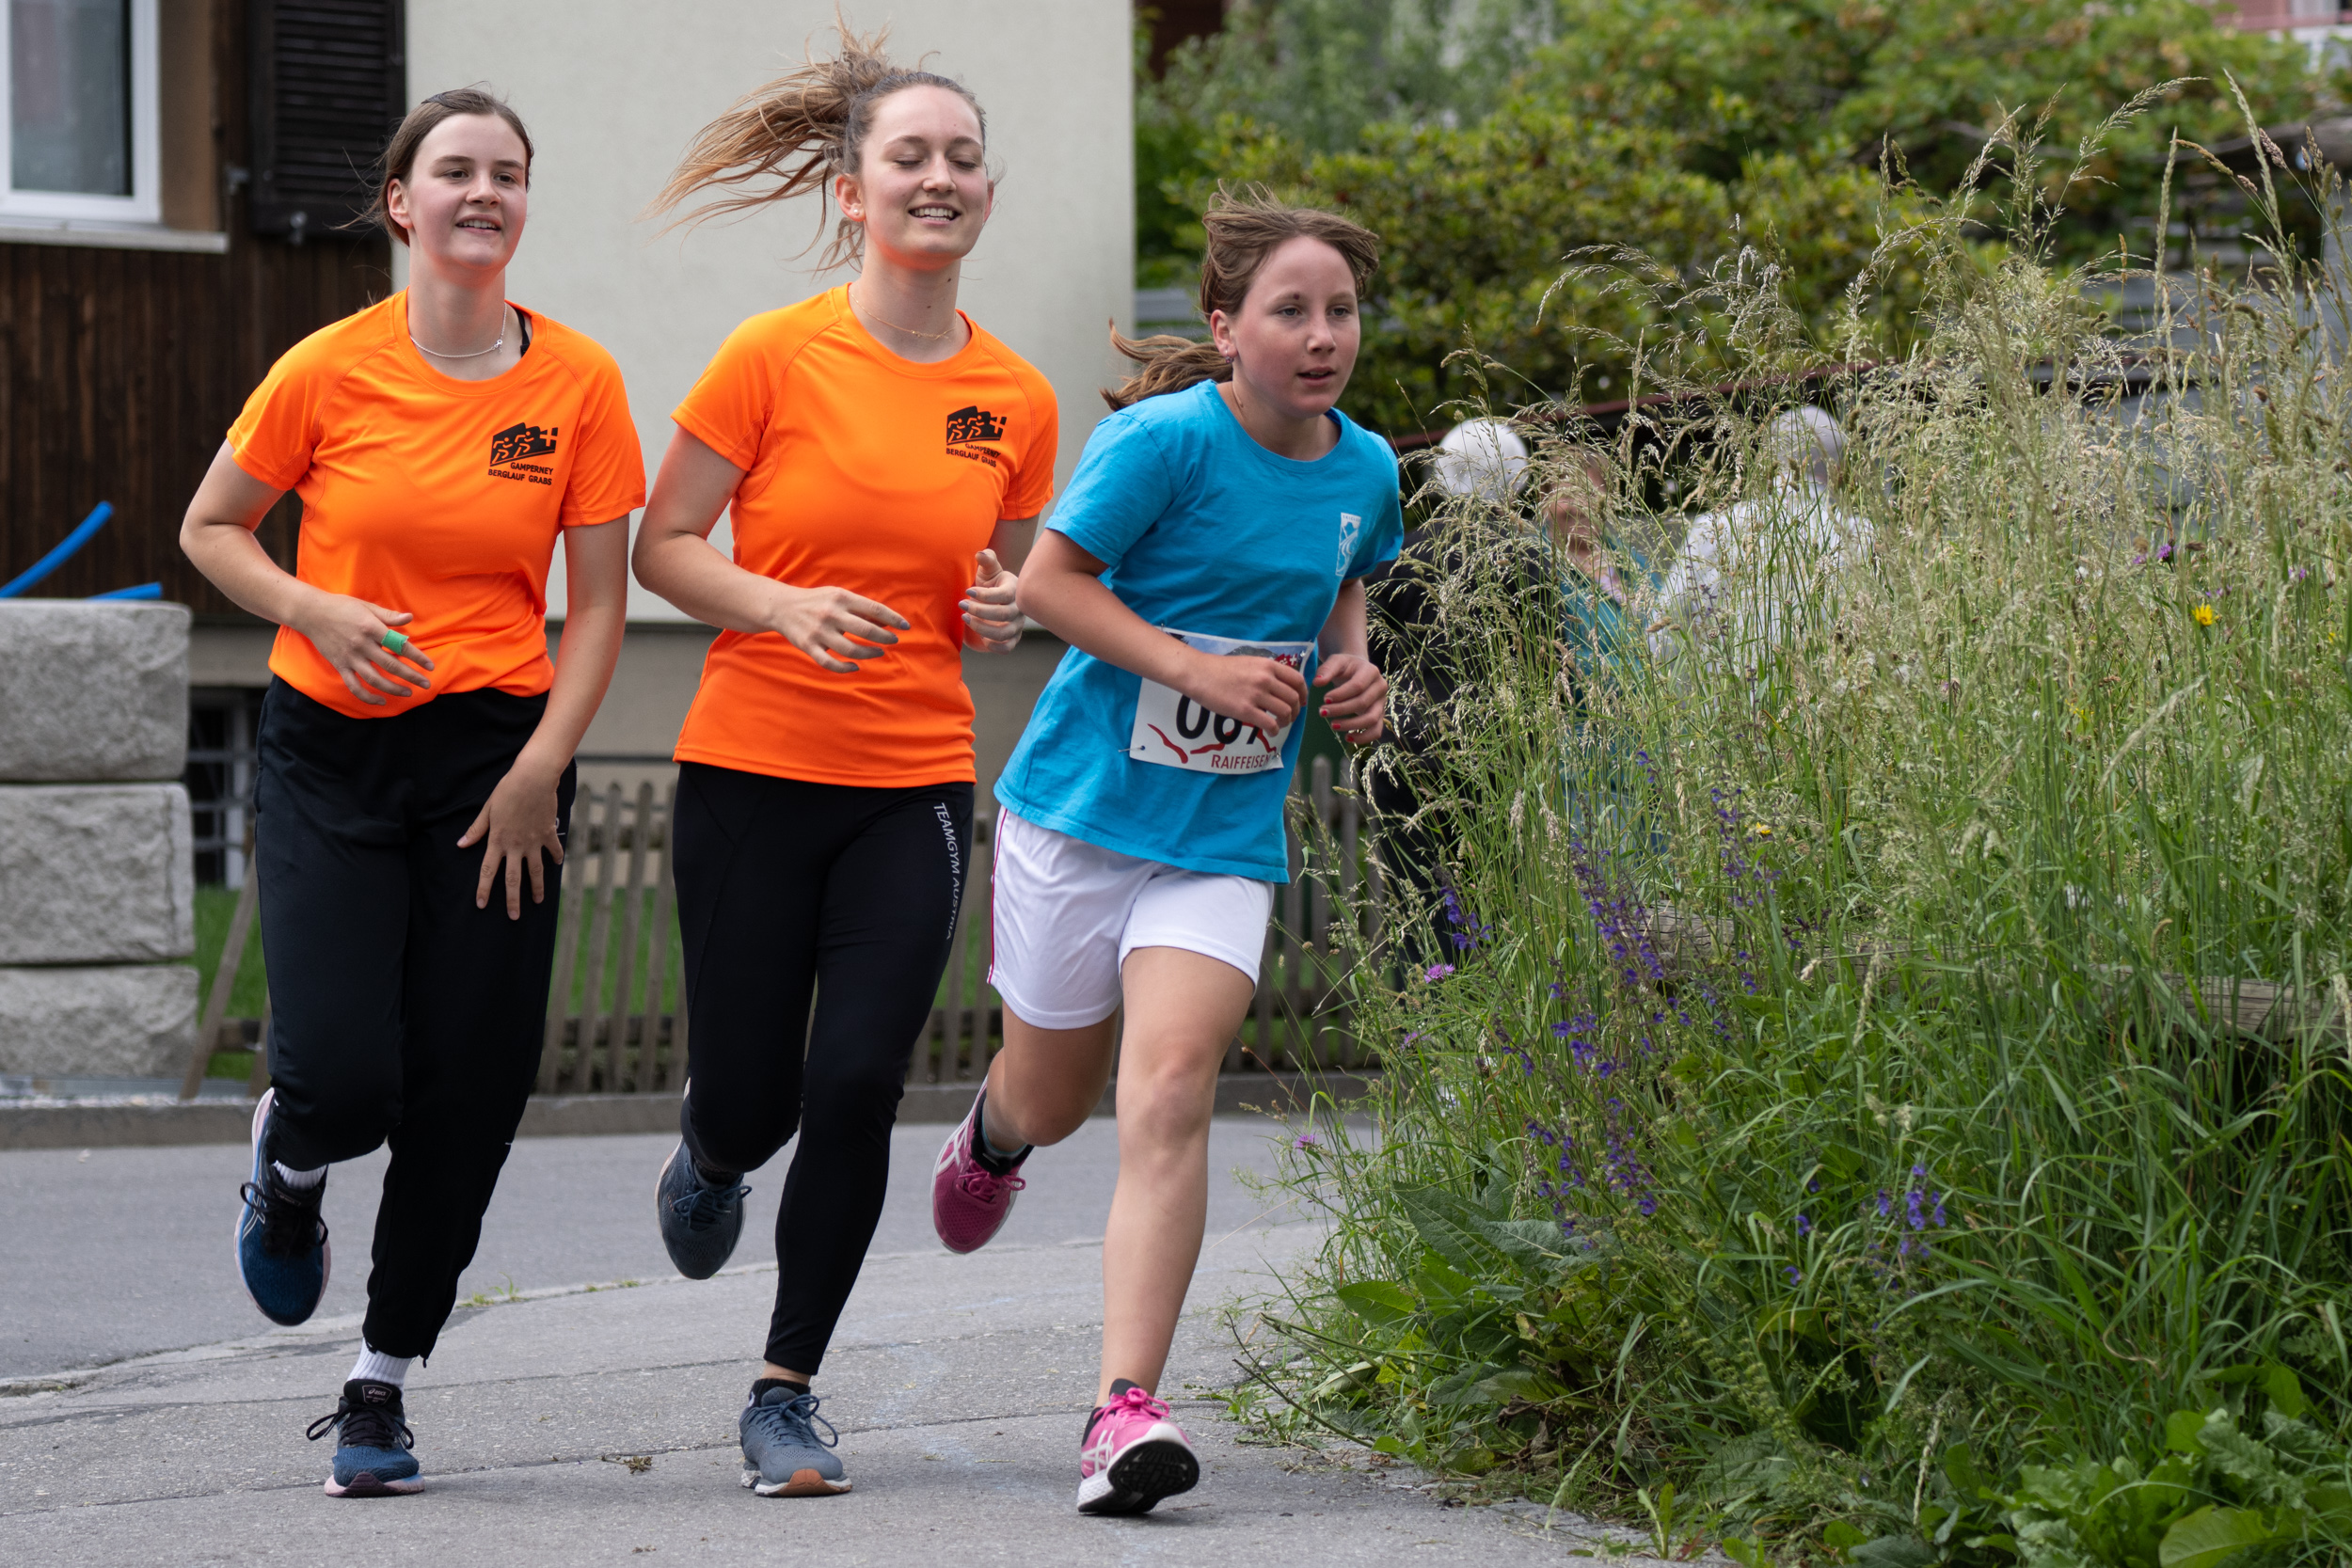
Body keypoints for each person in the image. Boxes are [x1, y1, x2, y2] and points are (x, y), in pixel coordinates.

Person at [179, 88, 643, 1497]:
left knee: (471, 1082)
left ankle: (380, 1380)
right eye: (455, 170)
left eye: (507, 172)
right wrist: (312, 605)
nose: (482, 192)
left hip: (497, 761)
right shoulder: (329, 367)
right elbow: (211, 527)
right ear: (402, 201)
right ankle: (291, 1161)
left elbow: (600, 605)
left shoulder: (578, 382)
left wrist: (540, 767)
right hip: (331, 745)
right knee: (344, 1076)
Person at [628, 27, 1055, 1501]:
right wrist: (780, 603)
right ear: (851, 190)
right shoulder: (774, 353)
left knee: (861, 1075)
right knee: (757, 1095)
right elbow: (664, 545)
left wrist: (1006, 608)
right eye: (909, 155)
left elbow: (1009, 581)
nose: (940, 176)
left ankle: (785, 1389)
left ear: (986, 191)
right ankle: (710, 1150)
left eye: (962, 157)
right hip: (751, 770)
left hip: (914, 782)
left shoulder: (1016, 395)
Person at [930, 190, 1399, 1516]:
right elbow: (1050, 584)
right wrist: (1196, 666)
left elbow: (1344, 578)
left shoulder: (1367, 467)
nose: (1322, 335)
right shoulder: (1164, 442)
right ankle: (996, 1134)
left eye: (1341, 311)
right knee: (1055, 1095)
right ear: (1226, 326)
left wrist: (1354, 668)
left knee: (1174, 1086)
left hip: (1221, 838)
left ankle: (1122, 1406)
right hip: (1080, 815)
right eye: (1291, 310)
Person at [1646, 404, 1870, 675]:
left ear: (1768, 460)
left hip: (1725, 695)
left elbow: (1661, 635)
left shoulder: (1713, 526)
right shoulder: (1861, 536)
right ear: (1839, 468)